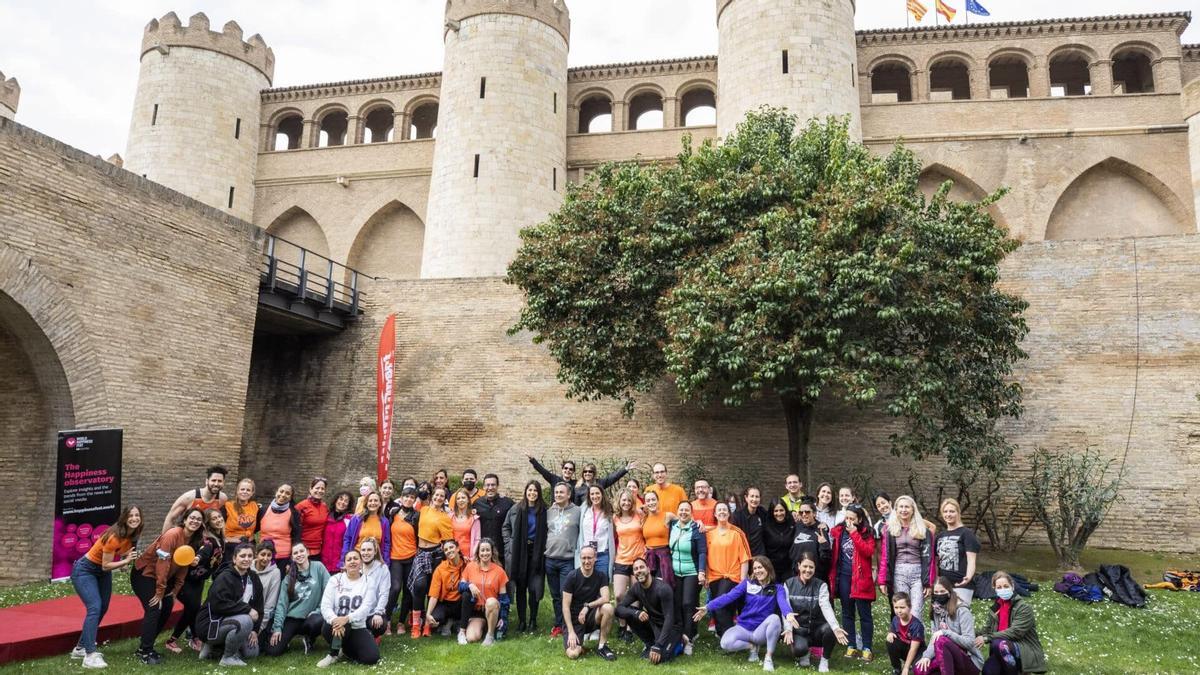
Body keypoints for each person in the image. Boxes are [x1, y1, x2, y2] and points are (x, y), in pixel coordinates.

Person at [70, 504, 143, 669]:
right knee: (94, 607)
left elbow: (127, 551)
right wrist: (124, 562)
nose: (134, 518)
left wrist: (126, 561)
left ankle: (80, 648)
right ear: (124, 518)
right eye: (130, 516)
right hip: (85, 570)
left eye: (137, 515)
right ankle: (89, 655)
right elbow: (105, 565)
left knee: (102, 608)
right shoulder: (113, 537)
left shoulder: (135, 533)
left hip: (102, 572)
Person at [131, 507, 205, 664]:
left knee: (167, 607)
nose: (195, 521)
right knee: (154, 608)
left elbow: (183, 565)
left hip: (164, 576)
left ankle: (145, 646)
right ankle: (145, 652)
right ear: (184, 520)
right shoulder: (172, 535)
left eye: (198, 519)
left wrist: (176, 590)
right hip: (145, 574)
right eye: (192, 518)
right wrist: (160, 591)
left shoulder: (193, 540)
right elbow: (162, 563)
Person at [695, 556, 791, 672]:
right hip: (744, 628)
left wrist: (788, 613)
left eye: (760, 567)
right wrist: (708, 607)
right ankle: (752, 647)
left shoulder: (778, 588)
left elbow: (783, 602)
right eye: (755, 568)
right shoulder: (747, 584)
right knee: (725, 643)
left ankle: (768, 658)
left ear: (768, 568)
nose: (757, 571)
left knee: (775, 618)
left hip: (760, 631)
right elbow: (728, 597)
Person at [164, 508, 225, 654]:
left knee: (195, 608)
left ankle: (195, 637)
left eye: (219, 517)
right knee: (192, 608)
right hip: (188, 578)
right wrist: (198, 558)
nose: (218, 520)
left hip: (199, 579)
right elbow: (204, 550)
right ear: (208, 523)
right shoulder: (208, 539)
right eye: (214, 519)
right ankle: (172, 640)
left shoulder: (220, 536)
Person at [194, 543, 264, 666]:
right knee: (246, 620)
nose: (246, 559)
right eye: (242, 556)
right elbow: (219, 605)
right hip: (210, 624)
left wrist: (254, 630)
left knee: (252, 653)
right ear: (234, 559)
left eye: (249, 556)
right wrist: (247, 609)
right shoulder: (224, 577)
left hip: (232, 621)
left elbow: (259, 606)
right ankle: (227, 657)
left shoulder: (253, 578)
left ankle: (214, 649)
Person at [783, 555, 849, 673]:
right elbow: (786, 610)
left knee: (830, 629)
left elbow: (826, 607)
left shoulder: (821, 585)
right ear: (799, 566)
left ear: (815, 568)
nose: (808, 570)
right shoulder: (788, 584)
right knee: (799, 650)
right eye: (805, 566)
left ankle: (824, 660)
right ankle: (805, 652)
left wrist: (836, 627)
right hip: (799, 630)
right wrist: (788, 629)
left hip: (816, 629)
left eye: (811, 567)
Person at [830, 503, 877, 663]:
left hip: (861, 579)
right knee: (847, 612)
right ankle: (851, 644)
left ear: (860, 519)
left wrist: (855, 534)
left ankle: (867, 647)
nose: (848, 521)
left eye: (852, 518)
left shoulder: (866, 533)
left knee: (864, 615)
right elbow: (830, 534)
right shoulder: (839, 531)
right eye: (847, 518)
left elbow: (868, 551)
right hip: (844, 577)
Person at [317, 549, 380, 667]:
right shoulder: (335, 579)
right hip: (334, 626)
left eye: (356, 558)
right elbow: (325, 605)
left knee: (372, 658)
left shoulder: (369, 581)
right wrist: (335, 620)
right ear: (344, 564)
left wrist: (347, 618)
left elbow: (366, 607)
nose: (352, 561)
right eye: (349, 559)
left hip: (357, 627)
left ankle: (344, 649)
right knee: (340, 623)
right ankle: (333, 654)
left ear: (361, 563)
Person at [974, 571, 1046, 675]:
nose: (1003, 589)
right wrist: (967, 633)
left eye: (1005, 586)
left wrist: (986, 638)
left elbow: (1015, 632)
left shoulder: (1024, 607)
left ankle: (1019, 671)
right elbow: (987, 629)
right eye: (999, 587)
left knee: (999, 644)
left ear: (1012, 586)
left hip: (1022, 648)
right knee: (988, 671)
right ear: (994, 589)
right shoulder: (996, 608)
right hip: (1000, 649)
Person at [267, 542, 330, 657]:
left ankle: (310, 639)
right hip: (293, 617)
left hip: (312, 616)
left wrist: (318, 610)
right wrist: (277, 628)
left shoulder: (318, 567)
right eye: (295, 553)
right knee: (273, 651)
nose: (299, 554)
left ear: (308, 552)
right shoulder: (288, 577)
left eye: (302, 551)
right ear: (292, 557)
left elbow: (329, 591)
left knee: (317, 621)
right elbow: (282, 604)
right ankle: (287, 641)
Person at [616, 557, 682, 665]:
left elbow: (669, 619)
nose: (639, 571)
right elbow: (618, 609)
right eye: (636, 569)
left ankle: (678, 645)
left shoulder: (663, 589)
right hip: (654, 624)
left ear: (648, 569)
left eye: (641, 567)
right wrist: (636, 613)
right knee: (629, 613)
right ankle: (650, 644)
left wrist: (659, 645)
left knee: (661, 658)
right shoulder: (636, 588)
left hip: (672, 627)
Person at [502, 480, 547, 634]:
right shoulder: (516, 509)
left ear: (538, 493)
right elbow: (506, 527)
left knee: (534, 588)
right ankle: (522, 620)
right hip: (519, 552)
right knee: (521, 587)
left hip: (536, 552)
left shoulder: (544, 511)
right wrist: (509, 544)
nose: (532, 493)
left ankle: (533, 620)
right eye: (530, 490)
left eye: (535, 490)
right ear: (525, 491)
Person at [913, 577, 984, 675]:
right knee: (919, 669)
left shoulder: (962, 611)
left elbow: (970, 642)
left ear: (949, 592)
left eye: (942, 591)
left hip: (968, 661)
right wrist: (926, 656)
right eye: (936, 592)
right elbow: (934, 638)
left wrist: (946, 633)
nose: (939, 595)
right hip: (945, 657)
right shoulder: (936, 610)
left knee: (942, 640)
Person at [879, 495, 935, 618]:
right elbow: (885, 557)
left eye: (907, 507)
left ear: (913, 510)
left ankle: (916, 637)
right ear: (896, 510)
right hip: (899, 573)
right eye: (901, 507)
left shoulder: (923, 530)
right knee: (903, 611)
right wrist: (882, 580)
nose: (904, 510)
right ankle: (903, 637)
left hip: (918, 574)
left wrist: (929, 582)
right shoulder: (890, 531)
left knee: (916, 612)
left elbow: (929, 558)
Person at [409, 485, 453, 637]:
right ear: (432, 496)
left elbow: (448, 539)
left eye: (442, 496)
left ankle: (428, 623)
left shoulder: (445, 518)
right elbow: (415, 502)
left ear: (444, 499)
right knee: (419, 586)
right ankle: (416, 624)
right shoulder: (424, 510)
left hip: (436, 554)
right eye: (436, 495)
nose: (439, 498)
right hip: (421, 553)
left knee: (432, 590)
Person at [561, 545, 617, 661]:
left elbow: (606, 597)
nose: (587, 561)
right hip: (575, 620)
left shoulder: (601, 576)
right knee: (573, 654)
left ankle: (602, 647)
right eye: (584, 558)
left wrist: (587, 606)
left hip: (591, 616)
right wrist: (571, 632)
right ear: (580, 558)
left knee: (608, 608)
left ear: (595, 558)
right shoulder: (572, 576)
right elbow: (565, 607)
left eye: (590, 558)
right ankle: (580, 645)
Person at [705, 502, 752, 636]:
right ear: (714, 514)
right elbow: (706, 557)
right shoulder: (709, 534)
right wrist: (707, 575)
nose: (722, 512)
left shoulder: (736, 533)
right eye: (719, 510)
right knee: (719, 607)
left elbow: (744, 558)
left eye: (724, 510)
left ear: (729, 513)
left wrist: (743, 580)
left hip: (732, 576)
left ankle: (729, 637)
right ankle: (722, 635)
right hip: (715, 577)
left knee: (720, 606)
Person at [667, 501, 706, 655]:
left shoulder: (697, 528)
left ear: (691, 512)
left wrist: (702, 571)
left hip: (692, 572)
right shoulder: (673, 525)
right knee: (677, 604)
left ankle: (688, 640)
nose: (683, 512)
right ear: (677, 511)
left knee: (688, 604)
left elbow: (702, 552)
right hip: (675, 573)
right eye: (681, 510)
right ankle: (681, 636)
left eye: (687, 510)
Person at [545, 481, 581, 638]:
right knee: (555, 596)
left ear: (568, 494)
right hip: (550, 559)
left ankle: (569, 624)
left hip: (568, 559)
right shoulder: (549, 512)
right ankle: (558, 624)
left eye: (561, 492)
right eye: (556, 492)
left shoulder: (578, 511)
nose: (558, 495)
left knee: (566, 594)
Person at [527, 454, 635, 505]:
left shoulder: (579, 484)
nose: (568, 470)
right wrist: (533, 461)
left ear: (573, 472)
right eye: (566, 468)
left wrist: (625, 469)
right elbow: (543, 471)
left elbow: (612, 478)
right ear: (562, 469)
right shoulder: (555, 479)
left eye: (570, 469)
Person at [458, 538, 509, 645]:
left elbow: (504, 599)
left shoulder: (499, 571)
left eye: (487, 550)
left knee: (491, 602)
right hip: (477, 611)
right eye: (482, 550)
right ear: (478, 552)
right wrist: (470, 585)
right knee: (472, 638)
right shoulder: (470, 566)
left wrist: (504, 619)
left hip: (492, 608)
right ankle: (484, 627)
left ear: (492, 552)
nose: (485, 553)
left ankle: (490, 635)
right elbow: (460, 586)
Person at [612, 488, 645, 641]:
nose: (626, 503)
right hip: (621, 559)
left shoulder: (639, 515)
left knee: (636, 596)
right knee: (619, 595)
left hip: (638, 560)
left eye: (628, 500)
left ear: (632, 502)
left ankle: (631, 628)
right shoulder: (615, 518)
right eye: (623, 500)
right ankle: (622, 624)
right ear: (619, 501)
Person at [386, 487, 420, 634]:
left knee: (408, 590)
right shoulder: (393, 513)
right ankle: (386, 620)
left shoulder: (416, 516)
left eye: (412, 497)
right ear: (401, 497)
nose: (409, 499)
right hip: (395, 557)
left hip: (411, 556)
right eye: (406, 496)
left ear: (415, 500)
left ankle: (401, 622)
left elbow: (419, 536)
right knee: (394, 588)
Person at [937, 499, 981, 604]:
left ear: (958, 513)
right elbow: (936, 560)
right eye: (945, 511)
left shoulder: (967, 533)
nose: (948, 514)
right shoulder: (940, 536)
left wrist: (968, 577)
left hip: (961, 584)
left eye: (952, 511)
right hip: (943, 585)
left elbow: (971, 560)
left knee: (959, 616)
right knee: (941, 617)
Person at [161, 466, 228, 533]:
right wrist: (164, 540)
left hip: (206, 537)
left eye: (219, 481)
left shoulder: (222, 498)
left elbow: (219, 520)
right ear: (207, 481)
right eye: (213, 480)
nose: (216, 484)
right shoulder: (189, 497)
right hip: (187, 536)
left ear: (223, 482)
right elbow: (170, 518)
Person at [425, 539, 468, 638]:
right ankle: (449, 622)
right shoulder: (440, 569)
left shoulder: (467, 564)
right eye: (446, 549)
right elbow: (434, 595)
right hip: (446, 603)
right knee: (435, 619)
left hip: (460, 602)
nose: (449, 551)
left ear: (457, 548)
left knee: (467, 595)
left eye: (451, 547)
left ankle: (460, 623)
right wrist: (428, 614)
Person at [260, 483, 301, 575]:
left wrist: (291, 560)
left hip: (283, 558)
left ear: (290, 497)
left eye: (287, 493)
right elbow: (253, 529)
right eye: (281, 491)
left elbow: (296, 538)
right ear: (276, 492)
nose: (283, 495)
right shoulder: (263, 510)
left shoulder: (294, 513)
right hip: (264, 555)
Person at [790, 499, 832, 583]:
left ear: (814, 513)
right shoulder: (797, 526)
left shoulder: (820, 529)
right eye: (801, 512)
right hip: (797, 576)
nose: (804, 514)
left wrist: (824, 545)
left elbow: (826, 559)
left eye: (807, 512)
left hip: (815, 577)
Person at [356, 537, 391, 638]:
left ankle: (374, 635)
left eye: (369, 550)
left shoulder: (382, 569)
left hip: (373, 612)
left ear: (375, 551)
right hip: (356, 611)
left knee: (379, 625)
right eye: (363, 550)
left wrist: (378, 613)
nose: (366, 553)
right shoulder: (356, 567)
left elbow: (384, 594)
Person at [342, 491, 391, 562]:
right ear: (366, 503)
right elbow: (347, 539)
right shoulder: (357, 519)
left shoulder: (384, 522)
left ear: (380, 503)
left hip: (375, 560)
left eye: (376, 500)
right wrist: (345, 559)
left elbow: (387, 544)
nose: (373, 503)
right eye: (370, 501)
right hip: (357, 559)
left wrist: (386, 561)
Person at [577, 484, 614, 577]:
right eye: (592, 494)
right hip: (586, 555)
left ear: (602, 494)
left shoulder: (609, 511)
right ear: (589, 496)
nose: (595, 496)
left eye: (597, 493)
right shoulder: (583, 510)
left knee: (602, 584)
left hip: (602, 554)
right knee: (585, 585)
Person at [887, 593, 927, 675]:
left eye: (902, 607)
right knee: (890, 641)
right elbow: (892, 629)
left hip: (917, 652)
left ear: (910, 607)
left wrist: (906, 667)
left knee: (918, 670)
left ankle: (911, 665)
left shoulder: (916, 625)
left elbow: (913, 649)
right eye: (896, 607)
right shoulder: (895, 619)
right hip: (905, 648)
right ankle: (897, 669)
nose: (899, 611)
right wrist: (890, 633)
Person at [641, 490, 673, 587]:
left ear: (658, 501)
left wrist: (699, 522)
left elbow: (685, 521)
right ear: (645, 503)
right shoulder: (644, 519)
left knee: (662, 585)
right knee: (650, 586)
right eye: (648, 500)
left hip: (664, 556)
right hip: (649, 556)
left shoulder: (668, 516)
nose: (651, 502)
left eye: (653, 499)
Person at [252, 541, 282, 643]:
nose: (265, 558)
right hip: (246, 612)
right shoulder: (247, 567)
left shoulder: (275, 573)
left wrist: (258, 629)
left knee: (254, 649)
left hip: (263, 616)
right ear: (256, 554)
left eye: (269, 555)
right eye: (262, 554)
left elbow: (270, 604)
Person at [223, 478, 259, 561]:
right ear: (237, 491)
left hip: (249, 543)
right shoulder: (228, 506)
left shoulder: (255, 506)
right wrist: (228, 539)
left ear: (252, 493)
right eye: (242, 489)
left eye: (248, 490)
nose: (245, 492)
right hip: (232, 544)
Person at [295, 478, 330, 561]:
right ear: (310, 489)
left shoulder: (324, 507)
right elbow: (294, 529)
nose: (320, 490)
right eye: (317, 488)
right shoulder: (301, 506)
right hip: (303, 549)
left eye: (322, 489)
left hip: (318, 549)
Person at [763, 500, 796, 582]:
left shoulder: (792, 523)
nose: (779, 513)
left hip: (788, 567)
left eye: (781, 510)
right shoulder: (766, 526)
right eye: (776, 511)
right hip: (771, 567)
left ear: (786, 510)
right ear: (772, 512)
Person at [322, 491, 354, 573]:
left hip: (340, 564)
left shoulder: (349, 520)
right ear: (336, 500)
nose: (342, 502)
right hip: (323, 563)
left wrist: (344, 561)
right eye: (341, 499)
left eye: (346, 501)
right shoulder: (326, 517)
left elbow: (350, 542)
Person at [732, 486, 769, 557]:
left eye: (757, 497)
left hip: (760, 555)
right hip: (744, 555)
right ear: (746, 498)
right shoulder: (738, 515)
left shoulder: (762, 513)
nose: (754, 499)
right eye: (752, 496)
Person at [449, 487, 481, 560]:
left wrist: (473, 556)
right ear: (456, 501)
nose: (461, 500)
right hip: (453, 554)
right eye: (458, 498)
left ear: (468, 500)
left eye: (463, 498)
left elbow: (477, 540)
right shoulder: (450, 516)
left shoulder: (474, 519)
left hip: (468, 556)